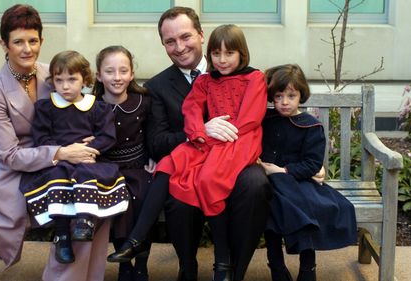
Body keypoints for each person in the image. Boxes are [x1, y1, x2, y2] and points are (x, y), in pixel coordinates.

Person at [107, 7, 273, 281]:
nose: (179, 47)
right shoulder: (158, 86)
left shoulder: (244, 73)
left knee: (255, 185)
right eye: (170, 41)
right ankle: (187, 268)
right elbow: (157, 142)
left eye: (185, 37)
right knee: (178, 196)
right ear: (163, 44)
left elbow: (265, 115)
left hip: (238, 151)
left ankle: (233, 269)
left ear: (200, 35)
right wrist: (198, 132)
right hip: (193, 155)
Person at [0, 4, 111, 280]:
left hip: (67, 156)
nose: (27, 49)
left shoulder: (53, 73)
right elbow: (11, 155)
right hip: (19, 169)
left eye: (33, 40)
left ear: (42, 40)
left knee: (92, 198)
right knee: (75, 201)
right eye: (18, 42)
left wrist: (89, 141)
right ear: (3, 44)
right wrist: (62, 153)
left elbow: (80, 110)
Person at [20, 50, 130, 264]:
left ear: (85, 79)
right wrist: (66, 152)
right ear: (53, 82)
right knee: (57, 177)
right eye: (59, 80)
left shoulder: (97, 107)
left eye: (72, 79)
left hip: (89, 161)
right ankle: (61, 236)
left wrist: (89, 150)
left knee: (87, 173)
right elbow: (40, 138)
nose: (66, 86)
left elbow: (107, 136)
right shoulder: (46, 107)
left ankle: (85, 221)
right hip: (59, 161)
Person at [259, 64, 357, 281]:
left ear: (301, 95)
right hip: (267, 182)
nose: (284, 102)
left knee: (303, 207)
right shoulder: (265, 119)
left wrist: (283, 170)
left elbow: (312, 164)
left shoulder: (311, 126)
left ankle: (307, 267)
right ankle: (277, 266)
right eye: (278, 96)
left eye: (291, 96)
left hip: (297, 182)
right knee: (270, 206)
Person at [92, 45, 154, 281]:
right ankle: (124, 262)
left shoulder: (143, 102)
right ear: (99, 75)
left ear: (131, 74)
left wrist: (153, 157)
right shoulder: (92, 105)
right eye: (109, 71)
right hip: (107, 168)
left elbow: (152, 135)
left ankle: (142, 264)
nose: (117, 77)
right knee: (120, 202)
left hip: (138, 165)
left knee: (144, 196)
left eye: (123, 71)